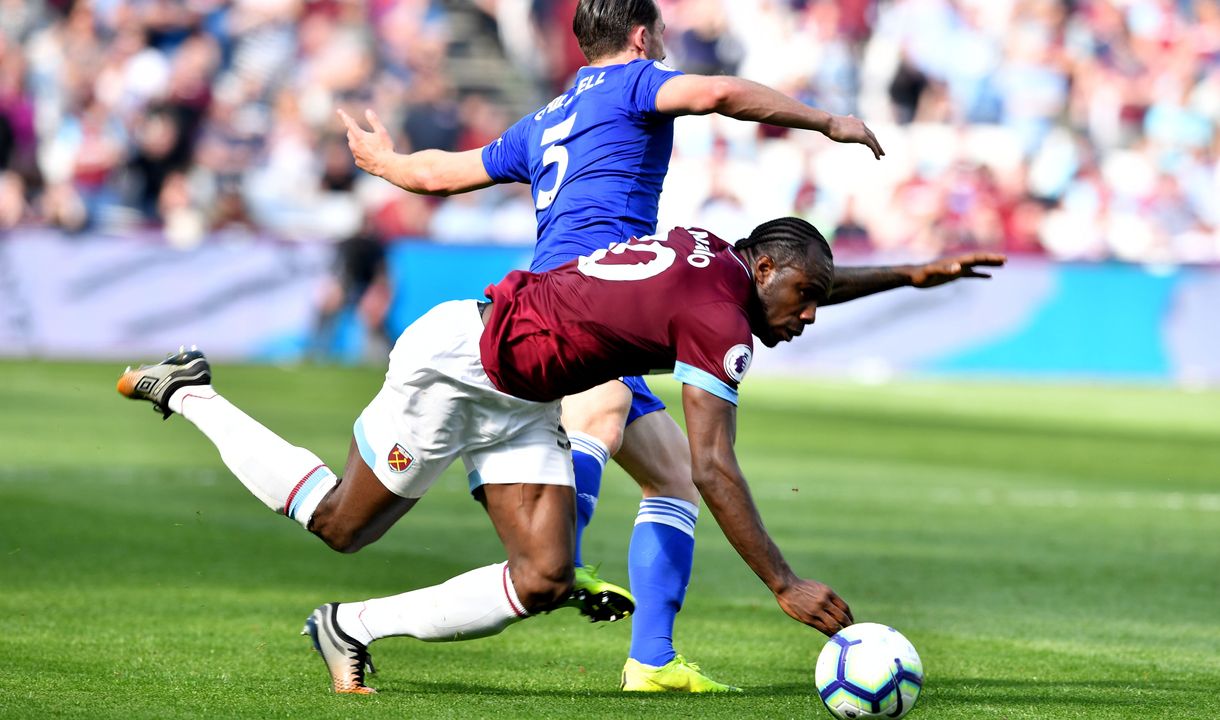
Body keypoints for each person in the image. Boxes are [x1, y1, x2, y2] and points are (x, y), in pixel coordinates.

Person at [337, 0, 999, 692]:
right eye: (662, 39)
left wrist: (385, 162)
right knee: (600, 415)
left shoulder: (546, 119)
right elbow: (714, 92)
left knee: (673, 476)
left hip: (574, 294)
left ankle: (651, 658)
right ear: (641, 35)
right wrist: (826, 119)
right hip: (593, 306)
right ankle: (567, 555)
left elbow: (443, 173)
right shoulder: (635, 82)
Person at [116, 218, 1004, 695]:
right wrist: (783, 583)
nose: (810, 316)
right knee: (339, 524)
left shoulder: (718, 260)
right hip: (460, 365)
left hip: (524, 390)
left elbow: (802, 270)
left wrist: (908, 274)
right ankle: (190, 389)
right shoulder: (720, 320)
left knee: (543, 578)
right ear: (764, 269)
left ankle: (351, 626)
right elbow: (715, 467)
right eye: (805, 299)